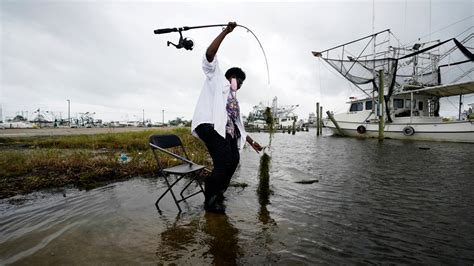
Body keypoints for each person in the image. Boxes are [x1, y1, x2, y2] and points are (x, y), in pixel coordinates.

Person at [191, 21, 263, 214]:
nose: (239, 84)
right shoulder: (216, 77)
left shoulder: (233, 100)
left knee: (234, 160)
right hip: (209, 125)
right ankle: (211, 200)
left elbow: (237, 124)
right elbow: (209, 54)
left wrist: (251, 141)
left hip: (225, 130)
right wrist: (226, 32)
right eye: (237, 80)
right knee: (223, 162)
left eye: (241, 82)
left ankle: (219, 191)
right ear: (230, 77)